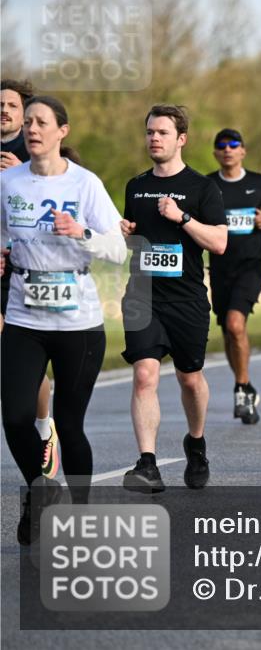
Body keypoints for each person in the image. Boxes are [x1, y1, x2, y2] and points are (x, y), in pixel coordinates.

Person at [1, 96, 126, 544]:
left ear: (62, 131)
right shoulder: (8, 181)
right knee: (16, 417)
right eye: (28, 123)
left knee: (70, 426)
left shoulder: (85, 184)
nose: (32, 129)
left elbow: (119, 249)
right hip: (24, 316)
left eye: (42, 122)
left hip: (78, 323)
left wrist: (82, 232)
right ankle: (40, 490)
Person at [119, 105, 227, 493]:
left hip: (187, 300)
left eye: (162, 132)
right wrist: (125, 231)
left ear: (181, 139)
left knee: (189, 378)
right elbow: (134, 241)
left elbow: (220, 242)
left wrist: (182, 217)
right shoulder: (136, 186)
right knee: (144, 375)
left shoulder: (202, 188)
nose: (154, 138)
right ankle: (147, 463)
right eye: (150, 132)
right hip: (143, 297)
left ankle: (195, 444)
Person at [208, 128, 261, 424]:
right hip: (220, 267)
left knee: (235, 323)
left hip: (253, 264)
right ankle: (245, 385)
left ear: (243, 150)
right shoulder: (208, 185)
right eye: (222, 145)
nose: (228, 149)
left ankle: (241, 388)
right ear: (216, 152)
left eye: (233, 144)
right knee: (229, 331)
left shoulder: (258, 182)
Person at [1, 79, 56, 479]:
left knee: (25, 353)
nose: (3, 110)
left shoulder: (37, 150)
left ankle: (43, 426)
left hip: (28, 265)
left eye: (11, 105)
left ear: (25, 115)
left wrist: (19, 175)